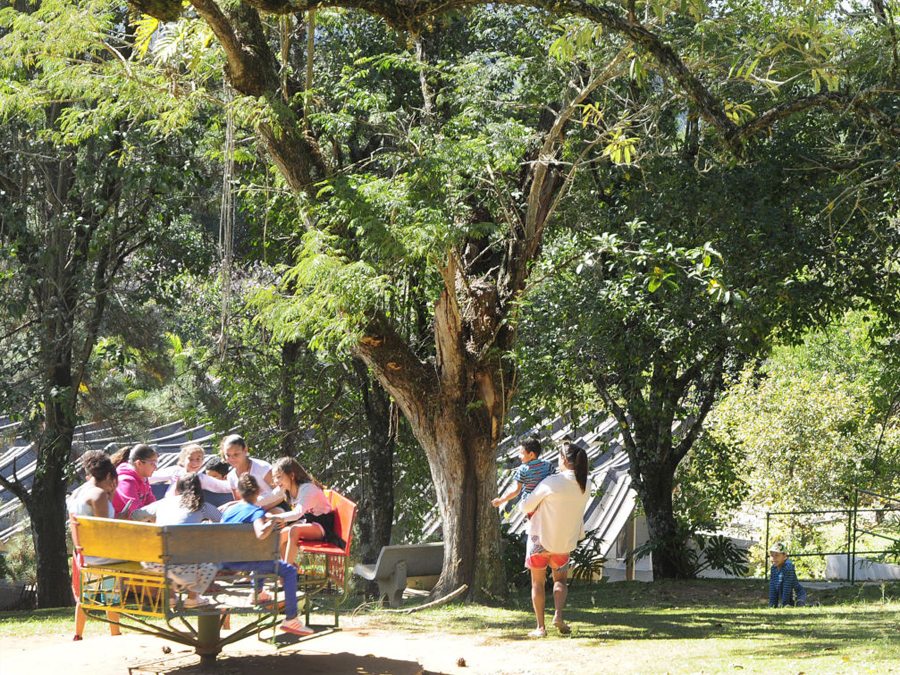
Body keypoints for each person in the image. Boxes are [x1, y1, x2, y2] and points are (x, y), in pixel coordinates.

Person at [220, 474, 313, 636]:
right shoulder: (255, 511)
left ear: (240, 493)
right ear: (257, 493)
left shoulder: (229, 511)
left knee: (262, 553)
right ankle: (291, 618)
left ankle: (258, 592)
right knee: (288, 570)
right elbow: (261, 533)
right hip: (249, 562)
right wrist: (271, 521)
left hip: (228, 562)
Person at [517, 441, 592, 638]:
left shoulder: (551, 482)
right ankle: (558, 615)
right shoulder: (586, 483)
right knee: (560, 581)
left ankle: (540, 628)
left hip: (539, 540)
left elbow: (526, 506)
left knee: (537, 583)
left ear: (563, 460)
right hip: (563, 542)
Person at [137, 473, 220, 609]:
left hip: (155, 564)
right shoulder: (203, 506)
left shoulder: (162, 503)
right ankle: (193, 598)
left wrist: (154, 520)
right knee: (210, 560)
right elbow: (223, 520)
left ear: (176, 490)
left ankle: (170, 597)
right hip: (188, 566)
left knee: (167, 551)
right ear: (199, 490)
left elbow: (136, 515)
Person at [68, 451, 121, 641]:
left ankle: (78, 634)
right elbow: (106, 530)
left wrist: (111, 496)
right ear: (108, 476)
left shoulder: (78, 492)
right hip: (103, 557)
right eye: (113, 481)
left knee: (87, 595)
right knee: (112, 593)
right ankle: (116, 633)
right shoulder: (98, 495)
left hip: (85, 555)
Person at [265, 457, 342, 563]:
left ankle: (287, 572)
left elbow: (297, 513)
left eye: (279, 477)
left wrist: (276, 518)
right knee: (280, 535)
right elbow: (267, 498)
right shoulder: (285, 488)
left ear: (291, 475)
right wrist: (247, 501)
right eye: (274, 478)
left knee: (294, 530)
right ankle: (289, 570)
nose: (276, 481)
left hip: (324, 526)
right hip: (309, 521)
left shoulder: (308, 489)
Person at [492, 437, 555, 513]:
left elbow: (516, 491)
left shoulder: (523, 469)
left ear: (531, 454)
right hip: (547, 502)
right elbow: (555, 481)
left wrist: (501, 501)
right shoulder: (548, 465)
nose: (519, 456)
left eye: (522, 453)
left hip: (531, 505)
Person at [220, 434, 282, 510]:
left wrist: (262, 510)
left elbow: (282, 493)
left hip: (275, 507)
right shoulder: (231, 476)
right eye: (228, 455)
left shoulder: (262, 467)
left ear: (245, 450)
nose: (232, 459)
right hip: (252, 512)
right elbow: (241, 502)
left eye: (236, 454)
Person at [149, 444, 231, 497]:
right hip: (167, 506)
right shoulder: (177, 471)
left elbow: (224, 486)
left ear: (202, 461)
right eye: (190, 459)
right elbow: (151, 477)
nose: (194, 463)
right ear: (183, 460)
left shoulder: (201, 478)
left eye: (198, 459)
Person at [110, 443, 158, 517]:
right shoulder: (126, 481)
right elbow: (137, 511)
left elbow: (151, 502)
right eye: (152, 463)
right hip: (119, 525)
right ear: (139, 463)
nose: (156, 467)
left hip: (136, 523)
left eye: (156, 463)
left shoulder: (143, 478)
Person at [769, 542, 807, 608]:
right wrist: (772, 605)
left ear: (784, 556)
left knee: (797, 606)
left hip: (796, 595)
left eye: (777, 555)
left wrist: (784, 604)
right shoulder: (773, 568)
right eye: (772, 555)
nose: (773, 558)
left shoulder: (788, 568)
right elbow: (773, 587)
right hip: (786, 596)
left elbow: (787, 587)